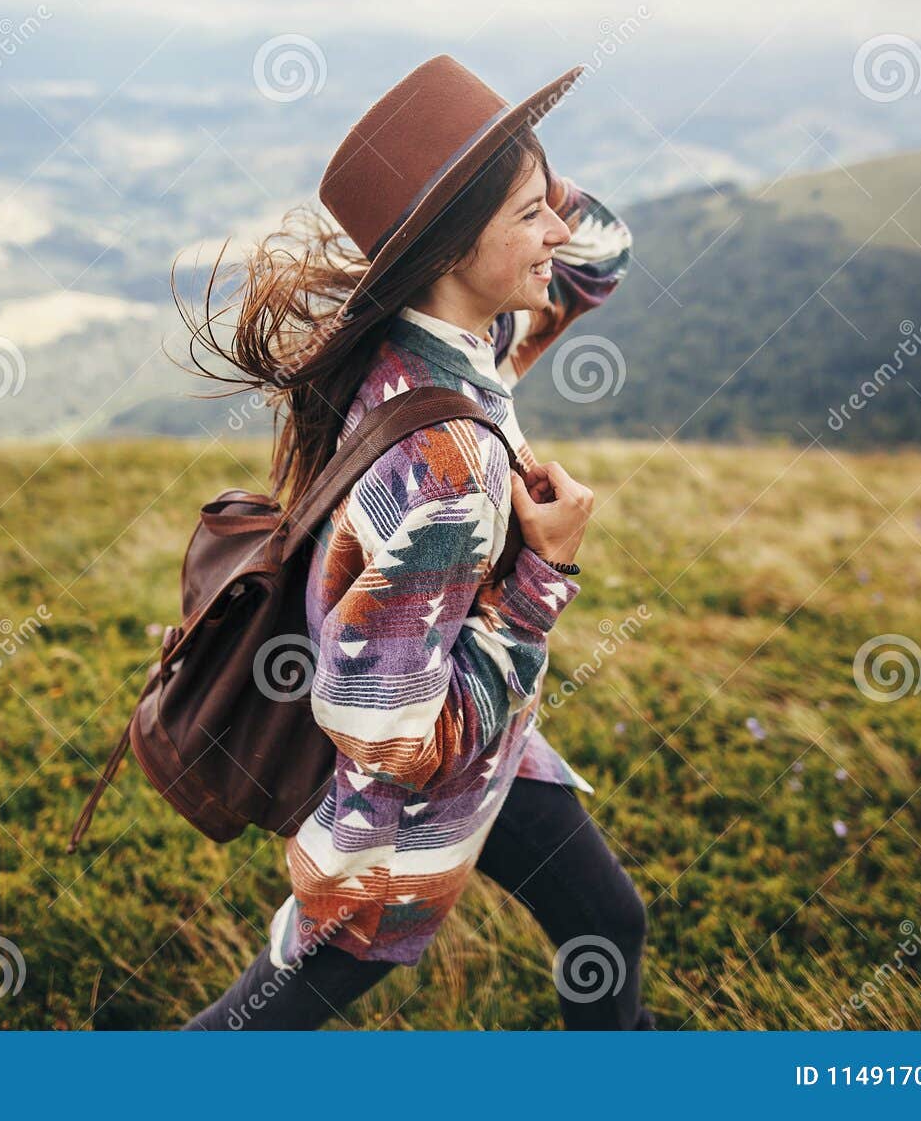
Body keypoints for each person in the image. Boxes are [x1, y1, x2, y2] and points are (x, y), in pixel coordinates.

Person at [171, 54, 653, 1030]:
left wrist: (510, 164)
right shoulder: (447, 465)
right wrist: (542, 574)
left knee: (607, 917)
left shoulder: (438, 343)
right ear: (445, 250)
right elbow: (390, 737)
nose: (558, 229)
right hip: (396, 822)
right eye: (529, 214)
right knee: (259, 1020)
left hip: (488, 743)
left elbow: (600, 259)